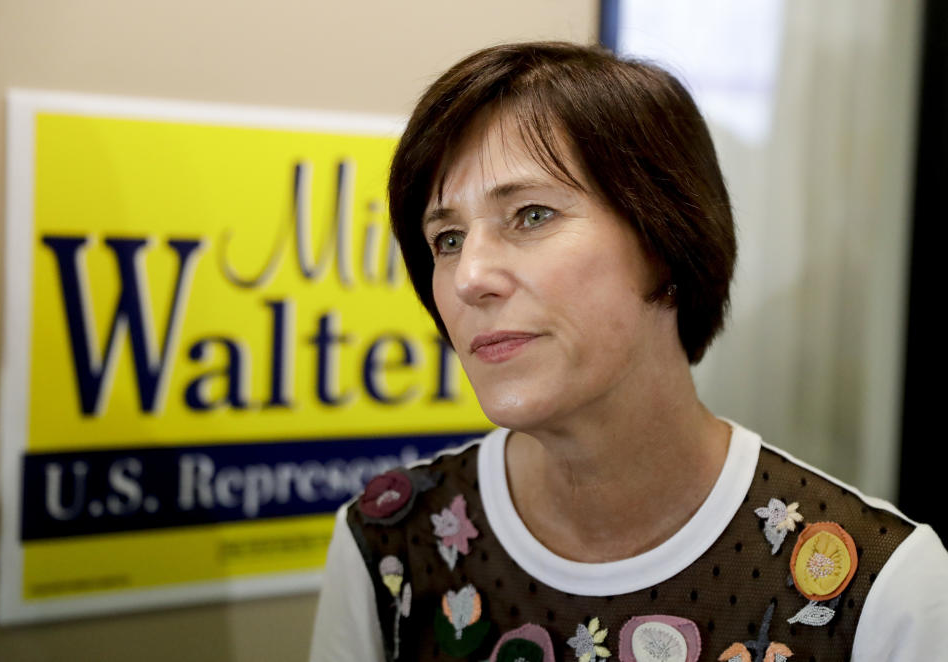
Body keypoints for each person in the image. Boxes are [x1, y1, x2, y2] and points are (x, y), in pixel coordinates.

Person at [310, 42, 948, 662]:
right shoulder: (389, 548)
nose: (470, 275)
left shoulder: (877, 586)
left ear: (664, 241)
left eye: (531, 215)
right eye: (446, 238)